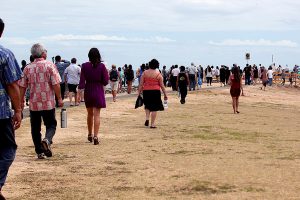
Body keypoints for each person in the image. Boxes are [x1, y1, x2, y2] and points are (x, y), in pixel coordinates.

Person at [19, 43, 63, 159]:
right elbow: (56, 84)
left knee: (35, 128)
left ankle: (39, 151)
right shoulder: (50, 65)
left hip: (34, 103)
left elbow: (22, 86)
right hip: (48, 102)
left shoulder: (28, 68)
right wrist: (59, 98)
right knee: (51, 124)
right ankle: (47, 140)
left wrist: (21, 101)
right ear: (43, 53)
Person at [0, 18, 23, 200]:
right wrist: (18, 110)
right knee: (8, 150)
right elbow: (12, 85)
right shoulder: (4, 54)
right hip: (0, 114)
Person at [78, 48, 109, 145]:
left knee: (90, 114)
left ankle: (89, 134)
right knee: (97, 115)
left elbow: (82, 82)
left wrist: (79, 93)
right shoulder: (102, 66)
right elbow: (105, 81)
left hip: (88, 91)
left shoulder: (84, 66)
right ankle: (96, 136)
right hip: (98, 90)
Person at [137, 59, 168, 128]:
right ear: (157, 65)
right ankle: (152, 124)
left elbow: (141, 84)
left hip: (146, 91)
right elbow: (162, 85)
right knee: (154, 108)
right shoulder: (158, 74)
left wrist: (139, 92)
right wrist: (165, 94)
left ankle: (147, 118)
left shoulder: (145, 73)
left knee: (147, 105)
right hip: (155, 91)